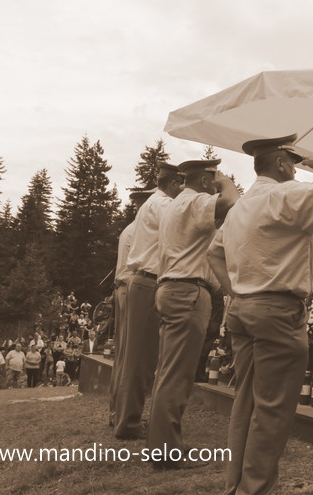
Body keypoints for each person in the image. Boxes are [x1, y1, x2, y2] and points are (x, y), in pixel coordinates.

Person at [209, 134, 313, 494]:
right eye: (295, 162)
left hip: (242, 309)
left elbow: (214, 253)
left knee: (246, 404)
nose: (298, 169)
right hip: (277, 311)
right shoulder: (282, 195)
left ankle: (235, 485)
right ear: (283, 163)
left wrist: (235, 291)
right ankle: (254, 490)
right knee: (271, 411)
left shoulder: (241, 206)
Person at [146, 158, 239, 469]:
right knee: (176, 376)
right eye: (211, 180)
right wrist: (224, 181)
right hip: (186, 293)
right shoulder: (196, 201)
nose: (214, 185)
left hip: (172, 290)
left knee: (167, 373)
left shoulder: (175, 205)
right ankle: (166, 453)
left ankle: (161, 447)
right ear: (204, 181)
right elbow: (230, 202)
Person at [115, 162, 183, 440]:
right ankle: (128, 424)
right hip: (148, 282)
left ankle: (127, 419)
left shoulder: (153, 204)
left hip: (143, 282)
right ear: (173, 184)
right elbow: (183, 227)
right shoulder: (163, 205)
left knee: (137, 358)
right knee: (139, 360)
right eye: (182, 185)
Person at [109, 187, 154, 426]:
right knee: (133, 356)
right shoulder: (139, 229)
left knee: (124, 355)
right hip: (130, 288)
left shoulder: (131, 229)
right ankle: (125, 416)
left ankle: (116, 412)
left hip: (123, 289)